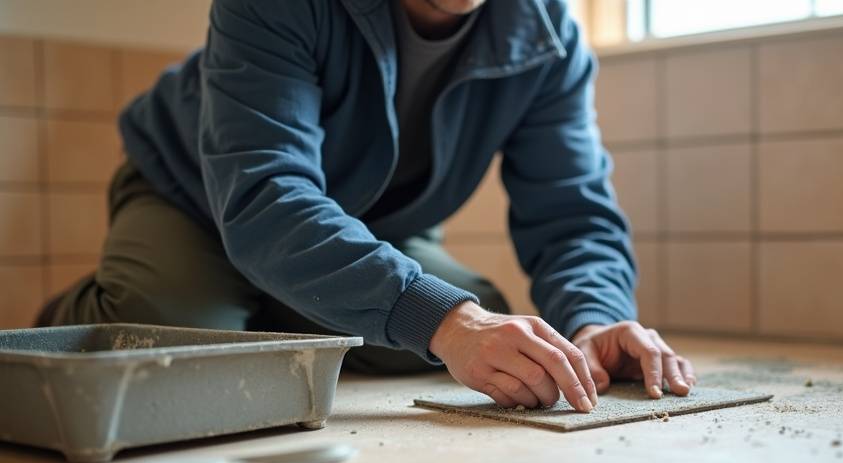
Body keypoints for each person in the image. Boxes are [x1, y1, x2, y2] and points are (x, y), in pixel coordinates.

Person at [37, 0, 696, 413]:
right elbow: (266, 193)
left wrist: (596, 318)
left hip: (368, 224)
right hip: (198, 200)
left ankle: (269, 304)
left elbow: (572, 211)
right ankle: (101, 312)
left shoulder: (549, 39)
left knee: (483, 333)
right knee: (169, 347)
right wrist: (445, 321)